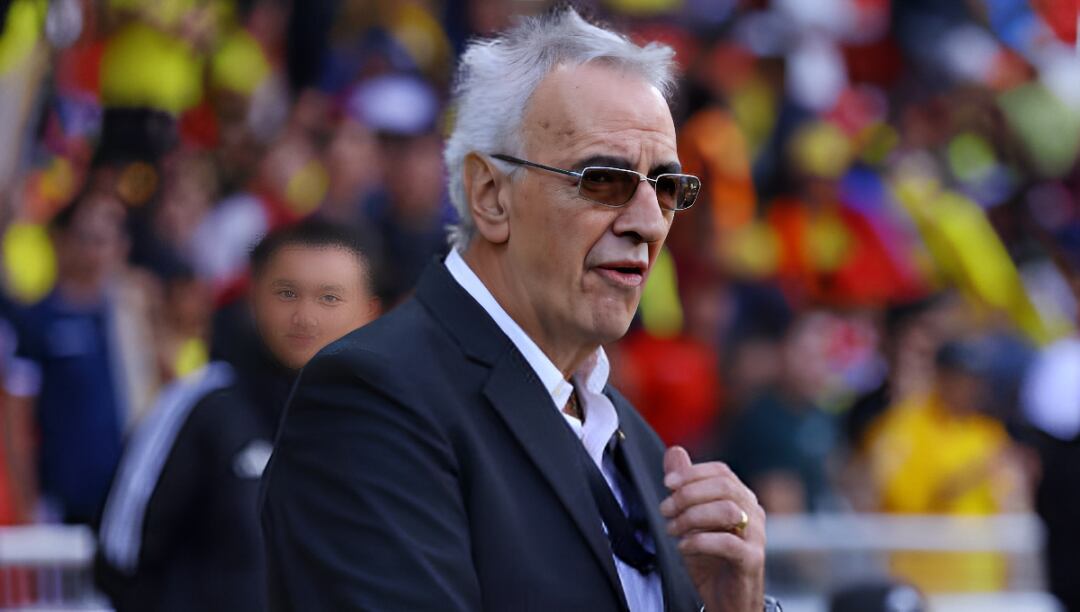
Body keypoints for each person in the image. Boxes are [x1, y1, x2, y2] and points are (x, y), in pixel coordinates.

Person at [262, 9, 773, 612]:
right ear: (489, 196)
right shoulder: (372, 397)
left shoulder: (639, 442)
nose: (645, 222)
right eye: (604, 179)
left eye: (665, 188)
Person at [95, 220, 379, 612]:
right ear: (253, 297)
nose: (305, 316)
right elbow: (120, 557)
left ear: (368, 309)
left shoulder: (386, 423)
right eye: (287, 293)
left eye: (329, 297)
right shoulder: (200, 406)